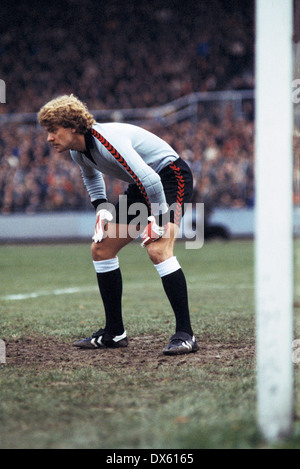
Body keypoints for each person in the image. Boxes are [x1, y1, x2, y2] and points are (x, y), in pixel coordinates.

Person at [38, 94, 198, 355]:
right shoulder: (79, 152)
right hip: (143, 185)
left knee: (158, 250)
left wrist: (157, 220)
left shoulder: (106, 141)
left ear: (72, 127)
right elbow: (91, 178)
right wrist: (102, 210)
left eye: (53, 130)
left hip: (170, 176)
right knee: (101, 249)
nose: (49, 138)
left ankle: (185, 334)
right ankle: (114, 332)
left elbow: (152, 180)